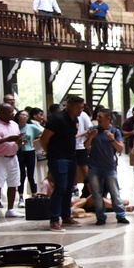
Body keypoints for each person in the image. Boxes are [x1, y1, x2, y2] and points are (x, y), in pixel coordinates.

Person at [37, 95, 85, 231]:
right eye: (77, 107)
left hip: (71, 157)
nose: (80, 110)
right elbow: (44, 139)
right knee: (60, 188)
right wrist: (51, 152)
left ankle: (66, 216)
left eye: (82, 108)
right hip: (58, 158)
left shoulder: (75, 119)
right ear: (68, 105)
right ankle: (54, 220)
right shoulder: (56, 119)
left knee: (69, 187)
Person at [84, 108, 129, 225]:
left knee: (115, 192)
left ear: (108, 118)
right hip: (94, 167)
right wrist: (90, 137)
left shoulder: (115, 131)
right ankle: (100, 217)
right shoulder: (93, 130)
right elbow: (86, 146)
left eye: (100, 117)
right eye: (97, 116)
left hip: (109, 167)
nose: (97, 119)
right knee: (96, 193)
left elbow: (120, 148)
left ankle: (121, 215)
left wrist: (112, 139)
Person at [17, 109, 44, 205]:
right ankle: (20, 196)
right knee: (21, 175)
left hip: (30, 151)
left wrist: (34, 140)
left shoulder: (31, 127)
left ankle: (34, 194)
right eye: (22, 115)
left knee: (31, 175)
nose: (24, 117)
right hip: (19, 152)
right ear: (18, 116)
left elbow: (43, 133)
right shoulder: (14, 126)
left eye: (26, 115)